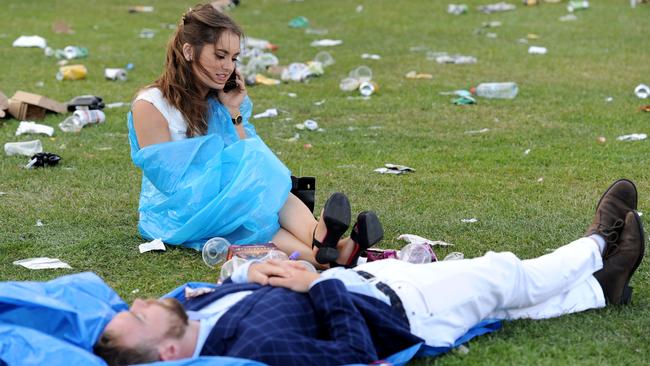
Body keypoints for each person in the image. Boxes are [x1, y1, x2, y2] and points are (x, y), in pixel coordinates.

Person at [95, 180, 645, 366]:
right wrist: (320, 284)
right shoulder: (261, 350)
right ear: (167, 355)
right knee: (502, 275)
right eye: (136, 318)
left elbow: (251, 281)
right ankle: (600, 243)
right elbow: (352, 354)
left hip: (372, 284)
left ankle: (602, 288)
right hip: (400, 309)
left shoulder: (193, 310)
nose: (138, 302)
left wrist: (245, 274)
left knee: (506, 302)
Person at [127, 3, 381, 266]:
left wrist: (233, 111)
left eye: (234, 58)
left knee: (263, 189)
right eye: (220, 55)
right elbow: (170, 183)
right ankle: (328, 248)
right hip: (178, 212)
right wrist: (232, 184)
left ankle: (327, 250)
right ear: (189, 51)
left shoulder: (218, 101)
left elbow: (250, 156)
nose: (227, 66)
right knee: (254, 198)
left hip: (228, 199)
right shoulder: (151, 105)